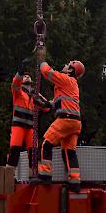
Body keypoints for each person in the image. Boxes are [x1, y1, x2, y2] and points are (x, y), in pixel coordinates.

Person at [35, 47, 85, 192]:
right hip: (75, 123)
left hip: (66, 120)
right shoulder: (70, 85)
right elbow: (60, 102)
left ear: (70, 70)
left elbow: (47, 72)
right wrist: (47, 104)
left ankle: (44, 176)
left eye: (67, 64)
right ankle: (74, 182)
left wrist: (41, 60)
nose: (64, 65)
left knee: (46, 144)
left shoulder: (66, 79)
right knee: (69, 152)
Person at [7, 58, 51, 169]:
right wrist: (20, 71)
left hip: (30, 127)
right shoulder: (18, 91)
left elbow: (47, 108)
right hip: (18, 126)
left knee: (34, 153)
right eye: (25, 76)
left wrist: (41, 103)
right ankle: (9, 175)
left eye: (28, 76)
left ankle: (33, 176)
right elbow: (15, 83)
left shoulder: (35, 94)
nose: (27, 76)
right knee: (15, 149)